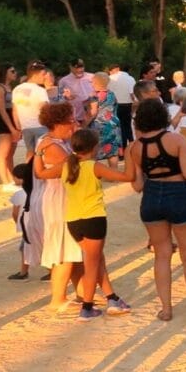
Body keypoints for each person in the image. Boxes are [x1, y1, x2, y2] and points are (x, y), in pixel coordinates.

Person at [128, 98, 186, 321]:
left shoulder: (135, 148)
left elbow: (137, 185)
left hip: (151, 197)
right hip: (179, 195)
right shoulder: (175, 140)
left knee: (161, 255)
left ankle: (166, 309)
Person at [60, 128, 135, 320]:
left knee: (97, 259)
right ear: (94, 148)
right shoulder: (93, 166)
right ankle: (87, 307)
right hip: (93, 218)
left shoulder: (66, 165)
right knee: (92, 264)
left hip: (73, 221)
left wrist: (40, 153)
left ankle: (112, 298)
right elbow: (127, 177)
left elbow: (41, 172)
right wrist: (128, 154)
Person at [32, 102, 85, 315]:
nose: (73, 125)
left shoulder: (52, 141)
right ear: (57, 124)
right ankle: (58, 298)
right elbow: (69, 170)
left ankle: (82, 292)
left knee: (72, 247)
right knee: (64, 246)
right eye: (69, 122)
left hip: (59, 197)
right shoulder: (52, 146)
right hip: (58, 199)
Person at [13, 62, 51, 157]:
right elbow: (45, 109)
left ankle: (28, 170)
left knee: (30, 152)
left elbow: (15, 111)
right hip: (41, 126)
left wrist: (18, 127)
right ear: (35, 75)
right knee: (42, 154)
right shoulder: (40, 91)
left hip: (26, 127)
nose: (45, 77)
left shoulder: (17, 89)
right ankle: (38, 171)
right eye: (43, 74)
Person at [86, 72, 123, 166]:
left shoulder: (94, 96)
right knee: (113, 151)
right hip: (113, 124)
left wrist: (84, 125)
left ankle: (95, 174)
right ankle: (113, 175)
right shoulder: (111, 94)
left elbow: (93, 113)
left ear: (95, 82)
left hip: (100, 126)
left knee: (94, 150)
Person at [58, 59, 95, 124]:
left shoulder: (92, 77)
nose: (80, 70)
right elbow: (59, 99)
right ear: (70, 67)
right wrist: (67, 97)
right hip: (76, 117)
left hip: (92, 116)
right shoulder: (63, 81)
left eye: (81, 67)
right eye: (76, 68)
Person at [107, 63, 136, 144]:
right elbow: (132, 94)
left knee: (117, 127)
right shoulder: (130, 78)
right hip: (127, 105)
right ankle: (131, 144)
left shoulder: (110, 78)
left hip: (114, 105)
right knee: (127, 126)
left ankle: (120, 147)